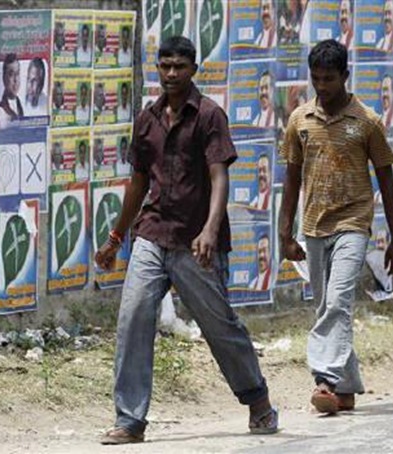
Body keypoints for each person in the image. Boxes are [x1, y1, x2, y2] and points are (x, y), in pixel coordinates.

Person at [95, 36, 278, 445]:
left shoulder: (210, 116)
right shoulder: (148, 118)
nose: (172, 74)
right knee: (132, 322)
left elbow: (219, 176)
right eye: (165, 67)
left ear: (193, 69)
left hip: (195, 242)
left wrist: (211, 229)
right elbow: (138, 182)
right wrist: (115, 238)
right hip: (152, 234)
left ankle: (258, 400)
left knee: (219, 326)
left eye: (179, 67)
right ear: (157, 69)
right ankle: (130, 419)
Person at [279, 39, 393, 414]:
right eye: (316, 78)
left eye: (329, 78)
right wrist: (285, 234)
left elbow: (387, 180)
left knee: (338, 302)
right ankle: (346, 389)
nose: (322, 86)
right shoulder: (300, 119)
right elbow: (291, 179)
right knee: (324, 308)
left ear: (345, 76)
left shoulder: (366, 121)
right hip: (314, 225)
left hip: (354, 223)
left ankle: (325, 381)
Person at [0, 53, 24, 128]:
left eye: (17, 73)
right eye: (11, 74)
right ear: (4, 78)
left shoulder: (20, 106)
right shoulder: (0, 110)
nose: (15, 80)